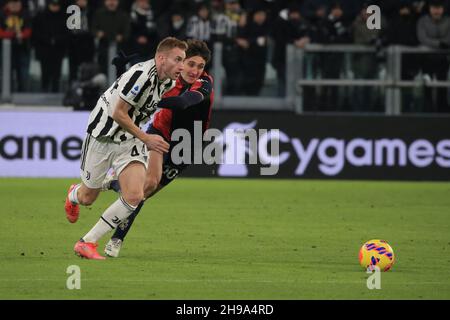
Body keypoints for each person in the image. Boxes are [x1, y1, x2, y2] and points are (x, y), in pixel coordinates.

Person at [64, 37, 188, 260]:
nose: (182, 66)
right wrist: (147, 138)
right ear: (161, 58)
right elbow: (118, 113)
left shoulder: (167, 83)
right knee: (87, 198)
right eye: (178, 60)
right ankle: (74, 194)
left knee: (134, 195)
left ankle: (87, 242)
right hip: (103, 136)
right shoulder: (140, 74)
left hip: (130, 140)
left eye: (184, 60)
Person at [102, 39, 214, 258]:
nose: (195, 70)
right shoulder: (165, 80)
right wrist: (121, 71)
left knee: (144, 194)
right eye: (191, 64)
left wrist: (147, 100)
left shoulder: (205, 82)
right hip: (160, 132)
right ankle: (116, 239)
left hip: (187, 146)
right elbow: (131, 93)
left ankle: (116, 183)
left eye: (200, 66)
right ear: (180, 63)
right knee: (149, 183)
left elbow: (183, 103)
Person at [417, 0, 450, 113]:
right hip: (427, 60)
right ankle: (427, 110)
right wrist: (439, 44)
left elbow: (448, 39)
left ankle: (443, 111)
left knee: (442, 87)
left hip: (442, 60)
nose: (436, 11)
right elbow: (422, 38)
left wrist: (441, 44)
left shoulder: (448, 21)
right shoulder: (422, 21)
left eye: (439, 8)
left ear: (443, 9)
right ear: (430, 8)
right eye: (434, 8)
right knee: (427, 86)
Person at [0, 0, 32, 92]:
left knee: (23, 76)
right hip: (6, 51)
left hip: (23, 49)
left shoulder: (25, 14)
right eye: (12, 3)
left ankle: (24, 98)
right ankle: (6, 96)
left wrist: (21, 35)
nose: (15, 5)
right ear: (8, 4)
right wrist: (12, 34)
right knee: (7, 75)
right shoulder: (2, 14)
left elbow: (28, 31)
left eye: (17, 3)